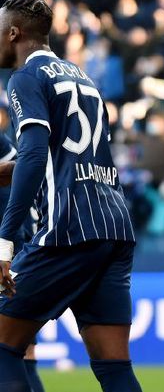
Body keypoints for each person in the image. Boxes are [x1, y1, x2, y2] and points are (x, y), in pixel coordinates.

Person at [0, 0, 141, 392]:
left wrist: (5, 244)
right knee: (114, 367)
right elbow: (64, 154)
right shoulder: (82, 77)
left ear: (13, 33)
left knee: (3, 346)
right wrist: (11, 170)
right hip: (113, 226)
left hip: (68, 228)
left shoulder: (25, 78)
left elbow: (33, 153)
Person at [0, 134, 43, 392]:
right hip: (18, 247)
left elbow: (18, 171)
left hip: (10, 253)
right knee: (20, 347)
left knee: (14, 346)